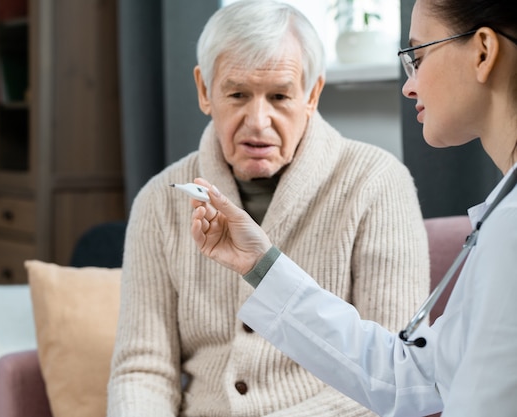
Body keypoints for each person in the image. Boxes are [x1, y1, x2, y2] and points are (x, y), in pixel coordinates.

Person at [190, 0, 517, 416]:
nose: (409, 86)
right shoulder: (503, 219)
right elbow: (410, 375)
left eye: (418, 56)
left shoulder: (510, 234)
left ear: (483, 53)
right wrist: (261, 264)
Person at [108, 1, 430, 416]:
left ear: (312, 93)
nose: (258, 121)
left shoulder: (378, 184)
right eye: (238, 94)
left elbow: (393, 373)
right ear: (205, 90)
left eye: (279, 96)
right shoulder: (159, 201)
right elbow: (142, 368)